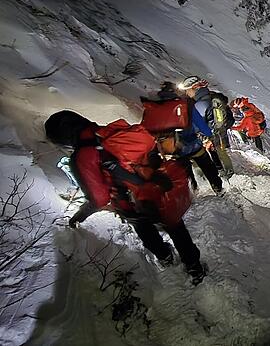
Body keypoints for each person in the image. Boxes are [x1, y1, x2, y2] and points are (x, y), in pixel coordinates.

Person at [44, 110, 205, 284]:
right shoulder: (114, 130)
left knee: (144, 229)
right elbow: (150, 147)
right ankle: (194, 266)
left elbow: (99, 198)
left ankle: (165, 257)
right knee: (176, 227)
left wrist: (81, 214)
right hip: (157, 189)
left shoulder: (82, 156)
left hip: (131, 203)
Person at [156, 81, 223, 194]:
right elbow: (200, 123)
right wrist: (210, 135)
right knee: (207, 166)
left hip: (174, 147)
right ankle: (218, 188)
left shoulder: (158, 107)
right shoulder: (185, 104)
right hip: (193, 144)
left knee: (185, 170)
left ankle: (192, 189)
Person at [178, 76, 235, 178]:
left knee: (204, 154)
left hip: (210, 133)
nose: (187, 93)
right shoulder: (210, 96)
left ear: (194, 88)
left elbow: (196, 125)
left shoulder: (199, 104)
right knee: (221, 152)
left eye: (187, 90)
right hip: (219, 131)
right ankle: (229, 173)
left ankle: (208, 177)